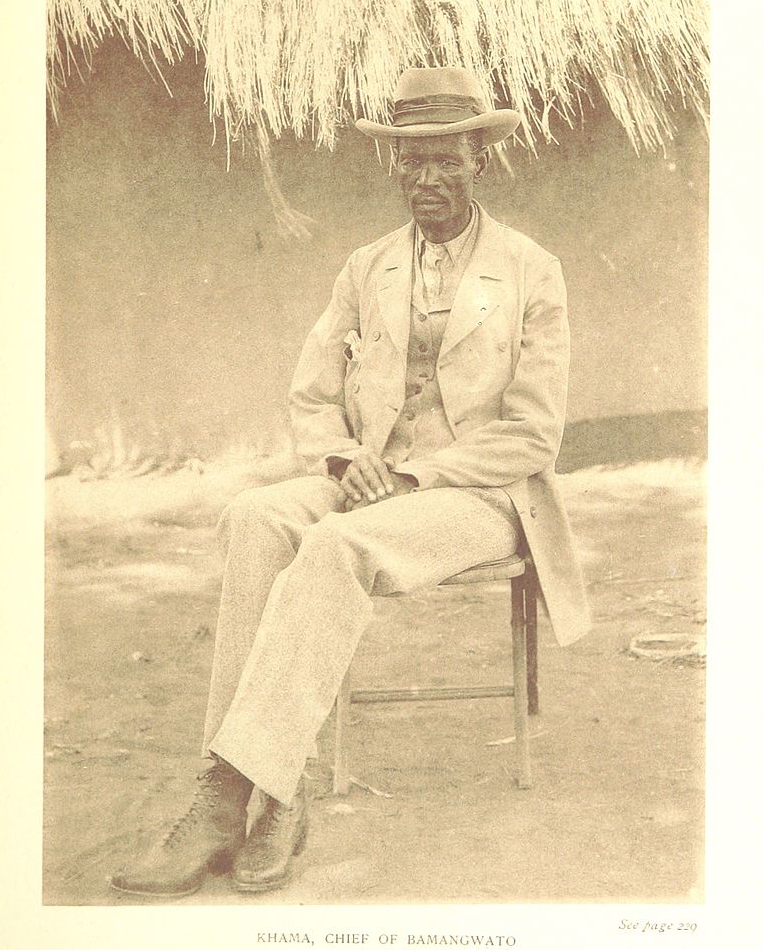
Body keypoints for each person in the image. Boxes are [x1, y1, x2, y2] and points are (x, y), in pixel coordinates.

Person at [111, 66, 591, 899]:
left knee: (336, 543)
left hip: (480, 496)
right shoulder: (366, 268)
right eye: (412, 161)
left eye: (447, 158)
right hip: (370, 481)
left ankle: (231, 792)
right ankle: (276, 793)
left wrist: (410, 469)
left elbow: (533, 433)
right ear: (394, 165)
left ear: (481, 157)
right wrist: (341, 457)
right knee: (257, 515)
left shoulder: (529, 270)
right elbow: (311, 395)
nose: (428, 179)